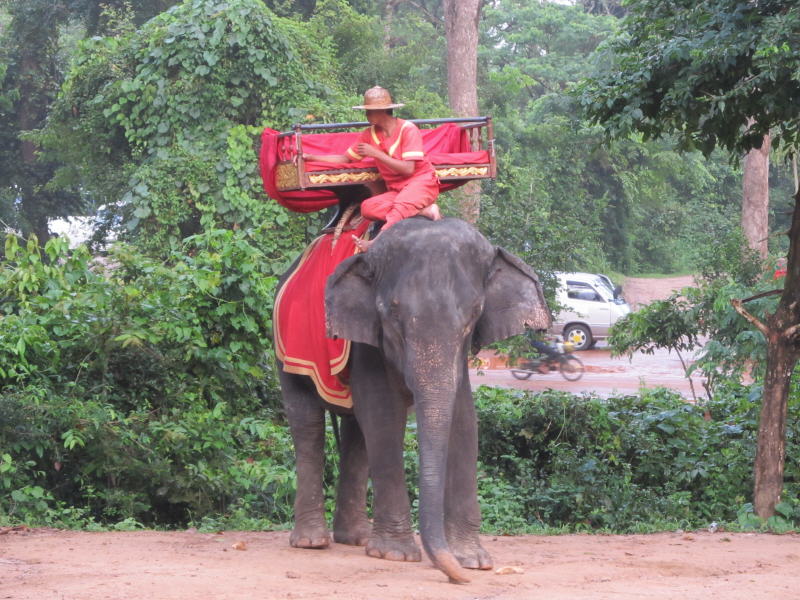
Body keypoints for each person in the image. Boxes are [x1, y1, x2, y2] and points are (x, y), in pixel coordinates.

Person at [302, 86, 441, 251]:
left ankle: (375, 243)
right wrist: (312, 157)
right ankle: (424, 210)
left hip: (420, 183)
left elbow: (408, 169)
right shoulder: (369, 134)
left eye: (369, 111)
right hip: (397, 190)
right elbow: (345, 158)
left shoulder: (408, 129)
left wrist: (376, 153)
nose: (366, 115)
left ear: (382, 111)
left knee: (399, 209)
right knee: (368, 207)